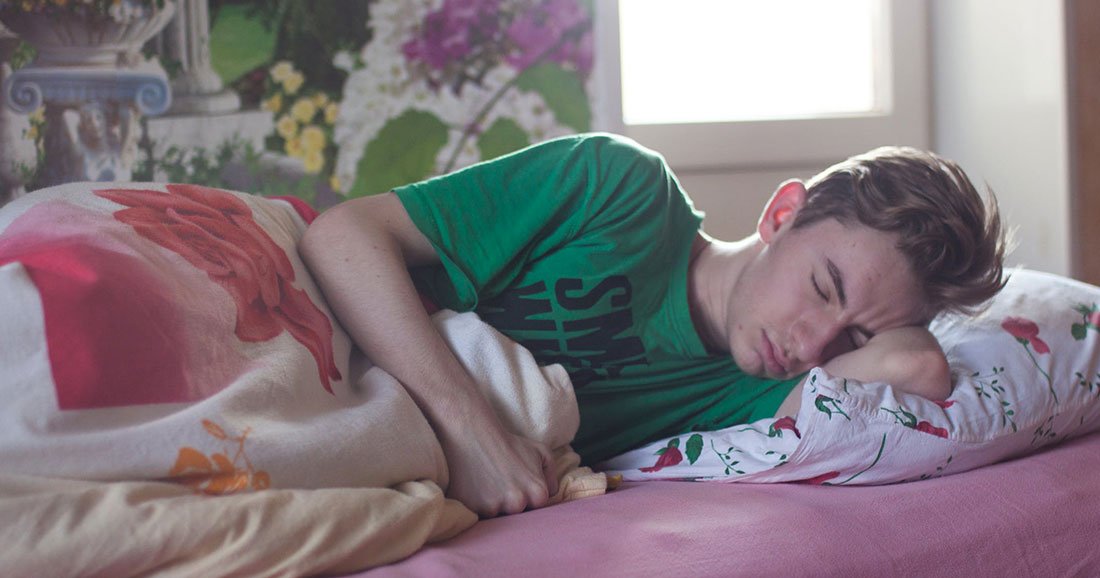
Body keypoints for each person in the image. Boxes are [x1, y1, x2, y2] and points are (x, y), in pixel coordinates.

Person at [299, 133, 1006, 518]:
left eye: (855, 337)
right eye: (823, 288)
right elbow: (342, 237)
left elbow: (920, 368)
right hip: (319, 327)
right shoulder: (620, 190)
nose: (814, 345)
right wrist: (471, 430)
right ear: (782, 213)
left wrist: (889, 327)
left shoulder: (753, 398)